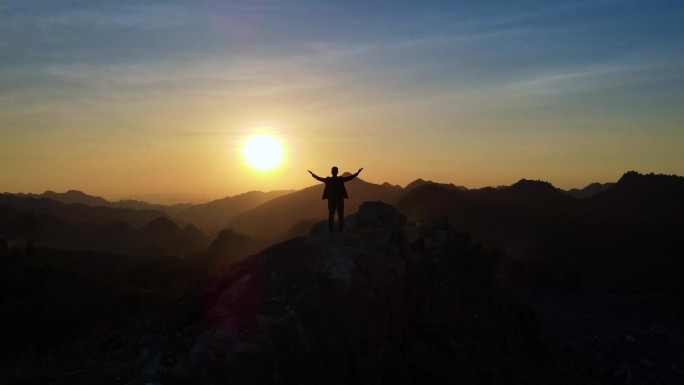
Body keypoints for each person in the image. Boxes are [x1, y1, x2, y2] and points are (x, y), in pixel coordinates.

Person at [308, 166, 363, 233]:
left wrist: (312, 174)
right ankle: (340, 230)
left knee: (331, 215)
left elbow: (319, 178)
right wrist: (357, 172)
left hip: (331, 201)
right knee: (340, 215)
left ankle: (331, 230)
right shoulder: (340, 179)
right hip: (339, 200)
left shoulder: (328, 180)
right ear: (337, 172)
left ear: (331, 172)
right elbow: (350, 178)